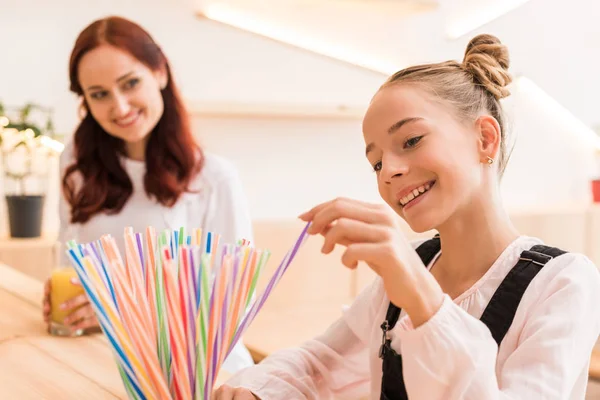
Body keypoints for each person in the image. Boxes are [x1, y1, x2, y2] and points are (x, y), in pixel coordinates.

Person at [213, 34, 600, 399]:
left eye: (411, 141)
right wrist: (255, 388)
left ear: (485, 139)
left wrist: (421, 295)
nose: (388, 171)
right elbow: (318, 364)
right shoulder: (410, 267)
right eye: (376, 162)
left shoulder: (564, 283)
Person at [41, 15, 255, 373]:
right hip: (101, 362)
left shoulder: (215, 179)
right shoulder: (76, 164)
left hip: (197, 371)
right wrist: (65, 299)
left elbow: (234, 307)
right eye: (99, 94)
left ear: (159, 72)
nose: (120, 107)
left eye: (130, 83)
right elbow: (70, 259)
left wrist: (119, 309)